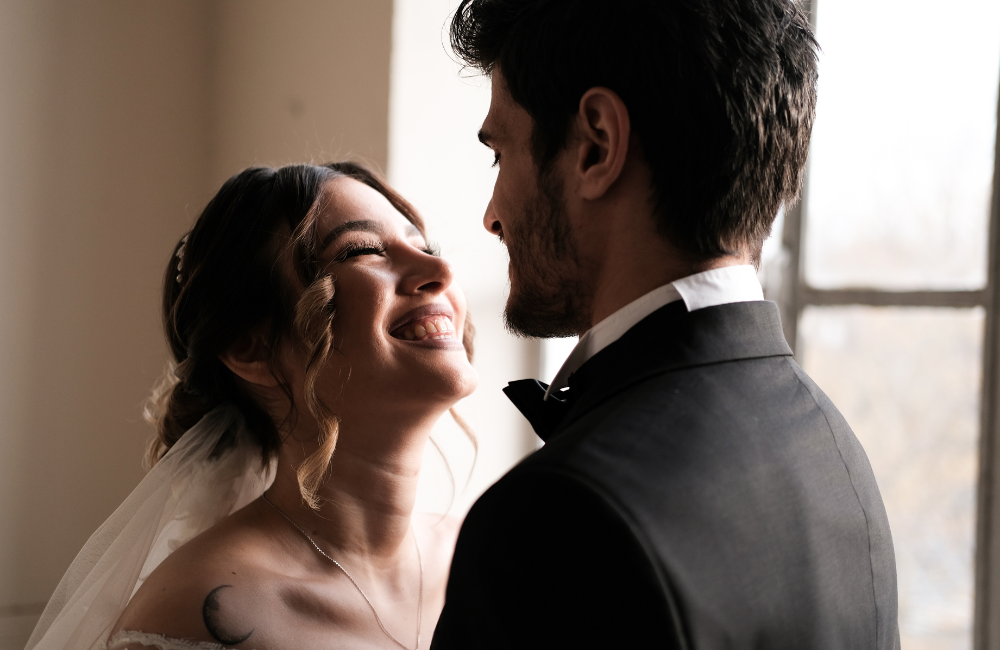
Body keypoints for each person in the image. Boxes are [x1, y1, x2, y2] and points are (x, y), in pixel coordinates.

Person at [432, 1, 899, 648]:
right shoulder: (832, 448)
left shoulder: (557, 522)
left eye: (500, 153)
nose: (492, 215)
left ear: (596, 144)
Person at [27, 162, 478, 650]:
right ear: (252, 348)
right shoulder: (189, 617)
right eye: (363, 250)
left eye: (425, 246)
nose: (441, 270)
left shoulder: (492, 554)